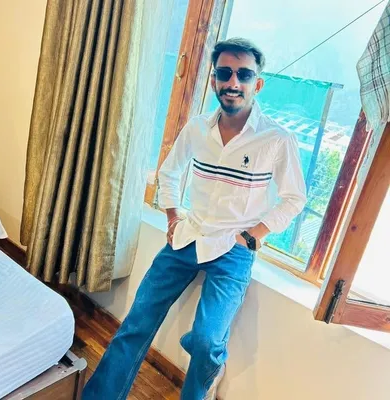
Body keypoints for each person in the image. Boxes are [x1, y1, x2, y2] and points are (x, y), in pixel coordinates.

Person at [82, 37, 307, 400]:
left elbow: (295, 198)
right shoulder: (197, 128)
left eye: (244, 75)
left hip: (233, 251)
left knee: (205, 342)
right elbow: (169, 172)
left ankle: (206, 371)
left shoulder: (276, 140)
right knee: (136, 324)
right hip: (187, 237)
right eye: (225, 73)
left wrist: (253, 236)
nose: (233, 82)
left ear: (258, 83)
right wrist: (173, 216)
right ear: (214, 79)